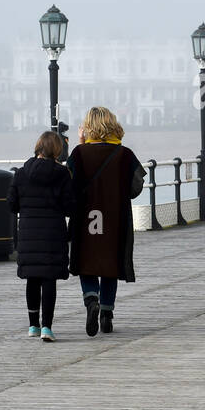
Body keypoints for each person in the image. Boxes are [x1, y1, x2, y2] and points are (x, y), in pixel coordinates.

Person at [67, 106, 145, 337]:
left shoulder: (79, 154)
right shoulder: (125, 155)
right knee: (110, 266)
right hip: (115, 221)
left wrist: (80, 143)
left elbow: (68, 186)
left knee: (86, 262)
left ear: (87, 127)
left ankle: (91, 300)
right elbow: (135, 188)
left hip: (85, 222)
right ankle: (107, 314)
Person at [8, 131, 75, 342]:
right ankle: (47, 327)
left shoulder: (21, 173)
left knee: (32, 278)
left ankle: (33, 325)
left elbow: (12, 204)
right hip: (53, 232)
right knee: (49, 279)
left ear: (37, 147)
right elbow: (69, 207)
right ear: (57, 150)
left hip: (28, 231)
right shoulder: (62, 174)